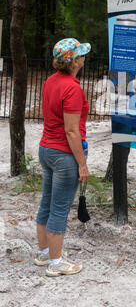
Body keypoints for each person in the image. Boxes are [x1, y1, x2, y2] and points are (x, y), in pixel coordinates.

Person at [34, 38, 91, 277]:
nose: (84, 58)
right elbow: (71, 130)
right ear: (75, 61)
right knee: (59, 208)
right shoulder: (72, 88)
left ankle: (45, 253)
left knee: (47, 202)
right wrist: (82, 164)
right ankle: (56, 264)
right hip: (64, 155)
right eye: (81, 54)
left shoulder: (51, 81)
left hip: (46, 149)